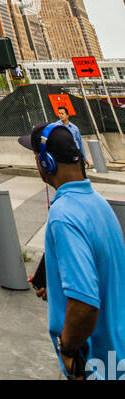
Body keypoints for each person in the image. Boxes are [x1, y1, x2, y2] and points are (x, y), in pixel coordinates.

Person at [20, 121, 125, 379]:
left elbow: (85, 304)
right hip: (117, 351)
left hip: (96, 362)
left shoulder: (63, 215)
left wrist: (66, 348)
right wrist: (56, 289)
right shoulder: (98, 203)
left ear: (45, 162)